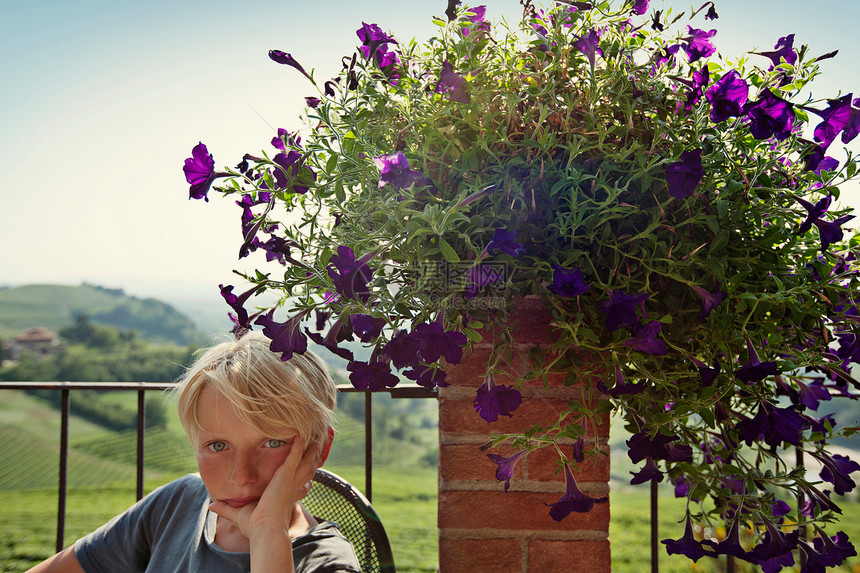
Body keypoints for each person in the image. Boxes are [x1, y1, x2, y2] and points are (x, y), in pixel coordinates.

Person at [27, 331, 362, 573]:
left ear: (318, 451)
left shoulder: (327, 563)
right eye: (218, 446)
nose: (241, 475)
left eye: (272, 442)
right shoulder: (177, 503)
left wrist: (267, 534)